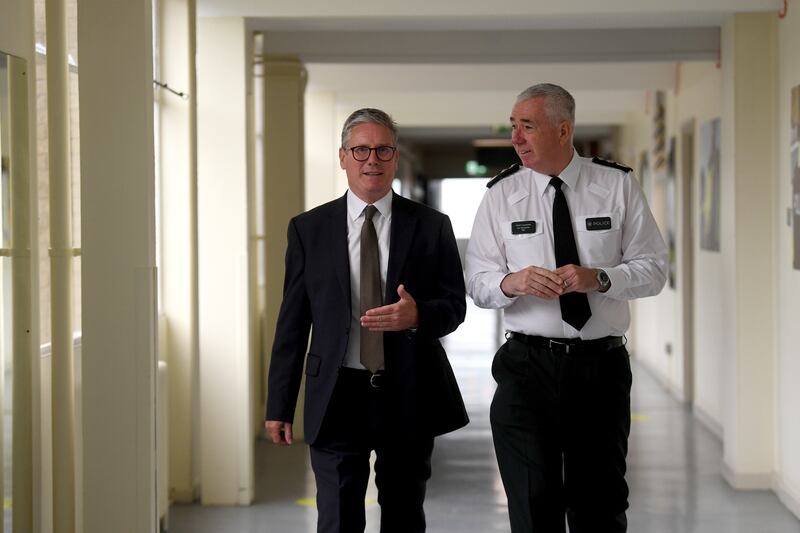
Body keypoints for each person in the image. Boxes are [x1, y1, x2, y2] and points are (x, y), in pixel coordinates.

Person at [465, 83, 668, 533]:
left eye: (528, 126)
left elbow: (654, 269)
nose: (516, 137)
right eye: (514, 126)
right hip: (526, 368)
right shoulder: (500, 195)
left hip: (600, 369)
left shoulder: (616, 185)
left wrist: (601, 277)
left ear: (564, 129)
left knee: (600, 504)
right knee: (533, 504)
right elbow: (477, 284)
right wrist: (511, 282)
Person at [265, 108, 469, 533]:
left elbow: (454, 306)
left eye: (382, 149)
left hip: (407, 391)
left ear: (395, 158)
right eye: (360, 150)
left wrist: (418, 315)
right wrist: (280, 405)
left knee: (404, 513)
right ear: (343, 157)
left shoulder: (432, 227)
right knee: (337, 518)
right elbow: (292, 323)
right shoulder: (309, 229)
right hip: (336, 393)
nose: (371, 159)